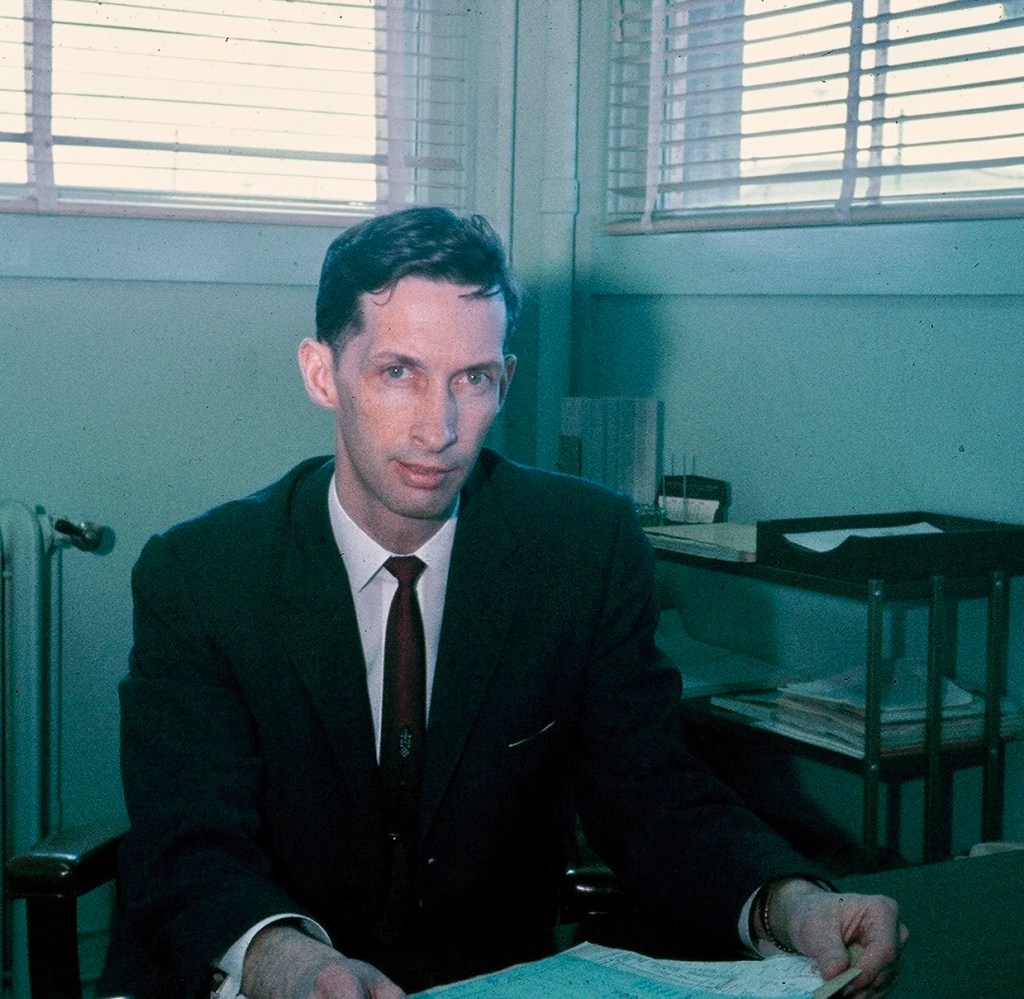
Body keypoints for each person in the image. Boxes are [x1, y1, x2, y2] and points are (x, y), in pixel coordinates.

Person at [102, 207, 906, 999]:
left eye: (473, 378)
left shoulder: (583, 547)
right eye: (398, 372)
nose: (439, 427)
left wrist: (788, 904)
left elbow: (653, 793)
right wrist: (289, 963)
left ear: (505, 381)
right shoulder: (202, 573)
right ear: (322, 374)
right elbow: (189, 840)